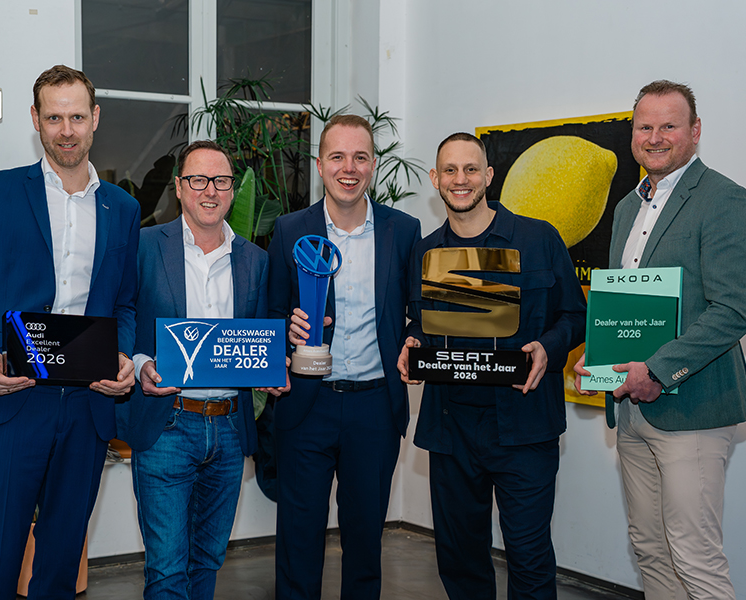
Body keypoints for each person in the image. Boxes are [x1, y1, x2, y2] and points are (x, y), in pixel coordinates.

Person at [0, 65, 140, 599]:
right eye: (54, 118)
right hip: (11, 401)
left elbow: (125, 303)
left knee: (60, 570)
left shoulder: (123, 208)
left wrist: (122, 356)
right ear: (36, 120)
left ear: (95, 117)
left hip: (86, 407)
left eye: (76, 117)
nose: (66, 130)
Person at [574, 80, 746, 600]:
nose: (654, 137)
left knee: (695, 556)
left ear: (695, 131)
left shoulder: (724, 199)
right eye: (645, 126)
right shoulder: (626, 208)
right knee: (650, 548)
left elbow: (733, 309)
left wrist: (657, 369)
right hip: (633, 411)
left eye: (669, 125)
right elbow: (624, 307)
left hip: (693, 409)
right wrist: (598, 355)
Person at [398, 133, 586, 600]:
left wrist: (548, 347)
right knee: (460, 559)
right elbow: (419, 322)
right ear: (435, 179)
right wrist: (413, 343)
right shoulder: (424, 252)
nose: (460, 179)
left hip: (525, 427)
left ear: (488, 175)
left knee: (529, 557)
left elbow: (575, 315)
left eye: (470, 169)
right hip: (451, 429)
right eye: (450, 170)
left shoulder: (538, 239)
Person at [115, 140, 285, 599]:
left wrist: (273, 366)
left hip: (228, 429)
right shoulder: (145, 246)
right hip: (167, 424)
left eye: (221, 181)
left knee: (208, 560)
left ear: (232, 189)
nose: (210, 190)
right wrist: (141, 364)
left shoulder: (256, 259)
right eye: (198, 180)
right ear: (179, 187)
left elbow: (258, 337)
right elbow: (122, 315)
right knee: (167, 570)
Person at [267, 114, 421, 600]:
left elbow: (419, 314)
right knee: (298, 540)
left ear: (373, 165)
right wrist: (285, 332)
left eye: (359, 157)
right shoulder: (289, 229)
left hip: (375, 408)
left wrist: (415, 341)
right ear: (320, 165)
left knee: (365, 543)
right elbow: (269, 314)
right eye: (337, 157)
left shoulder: (403, 230)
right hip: (306, 406)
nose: (348, 168)